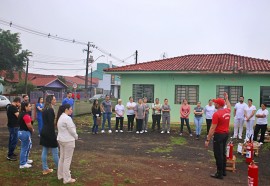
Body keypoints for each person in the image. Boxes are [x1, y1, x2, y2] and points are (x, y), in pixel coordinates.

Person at [205, 92, 231, 179]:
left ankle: (219, 173)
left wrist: (208, 139)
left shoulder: (216, 114)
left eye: (215, 102)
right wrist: (226, 98)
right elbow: (229, 106)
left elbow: (212, 128)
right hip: (225, 134)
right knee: (223, 152)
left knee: (218, 154)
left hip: (219, 135)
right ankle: (223, 171)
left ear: (218, 105)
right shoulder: (227, 111)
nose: (214, 103)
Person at [57, 104, 78, 184]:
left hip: (61, 139)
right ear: (66, 109)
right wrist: (76, 136)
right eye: (71, 109)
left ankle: (61, 175)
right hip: (68, 141)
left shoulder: (61, 117)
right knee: (67, 159)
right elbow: (72, 130)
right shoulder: (67, 118)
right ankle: (67, 179)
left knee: (62, 158)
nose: (71, 110)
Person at [40, 95, 59, 175]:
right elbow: (51, 123)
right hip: (50, 132)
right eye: (54, 99)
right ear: (50, 101)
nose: (55, 100)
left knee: (45, 150)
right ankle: (60, 169)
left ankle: (45, 169)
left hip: (44, 131)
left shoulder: (44, 109)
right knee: (55, 151)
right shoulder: (50, 110)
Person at [18, 102, 34, 168]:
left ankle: (25, 160)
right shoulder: (25, 115)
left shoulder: (21, 114)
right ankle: (22, 163)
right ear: (25, 107)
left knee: (28, 146)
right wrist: (32, 130)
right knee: (24, 148)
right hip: (25, 133)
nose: (30, 107)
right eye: (29, 106)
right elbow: (29, 125)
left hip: (21, 132)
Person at [6, 97, 21, 161]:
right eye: (19, 103)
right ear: (17, 102)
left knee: (11, 140)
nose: (20, 104)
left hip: (11, 125)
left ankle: (11, 152)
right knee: (14, 140)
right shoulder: (13, 108)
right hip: (14, 126)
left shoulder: (10, 107)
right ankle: (10, 155)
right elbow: (18, 116)